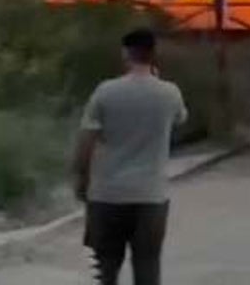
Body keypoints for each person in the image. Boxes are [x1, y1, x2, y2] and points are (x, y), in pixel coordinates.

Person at [74, 28, 188, 285]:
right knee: (147, 266)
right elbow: (180, 119)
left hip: (107, 194)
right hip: (150, 196)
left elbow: (86, 141)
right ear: (153, 54)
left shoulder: (105, 91)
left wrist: (82, 180)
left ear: (125, 53)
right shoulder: (169, 93)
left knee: (105, 268)